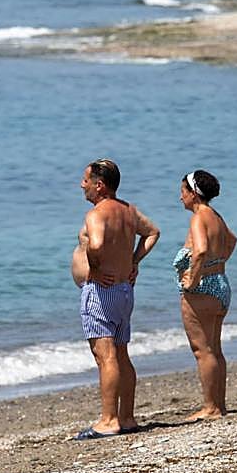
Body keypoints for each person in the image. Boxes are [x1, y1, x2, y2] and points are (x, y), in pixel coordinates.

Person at [70, 158, 160, 439]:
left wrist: (95, 269)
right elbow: (152, 232)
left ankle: (108, 420)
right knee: (121, 354)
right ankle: (127, 417)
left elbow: (96, 245)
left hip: (102, 292)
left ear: (99, 185)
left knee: (105, 356)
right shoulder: (128, 210)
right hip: (123, 290)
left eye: (86, 180)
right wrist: (134, 261)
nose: (82, 185)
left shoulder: (96, 214)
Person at [173, 169, 237, 421]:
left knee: (202, 350)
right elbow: (231, 240)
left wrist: (193, 278)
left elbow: (199, 251)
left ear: (194, 194)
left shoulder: (199, 217)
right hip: (220, 284)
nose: (180, 197)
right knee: (215, 349)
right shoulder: (215, 216)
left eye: (183, 191)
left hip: (202, 289)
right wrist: (218, 263)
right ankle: (219, 405)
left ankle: (210, 407)